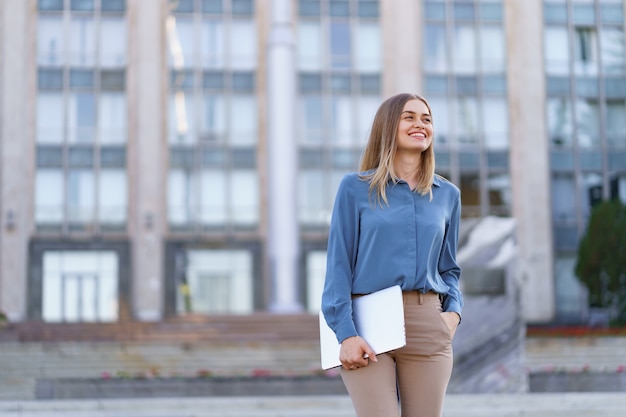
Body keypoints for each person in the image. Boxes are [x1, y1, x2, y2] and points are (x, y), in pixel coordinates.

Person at [321, 93, 463, 417]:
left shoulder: (448, 196)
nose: (420, 124)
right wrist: (345, 333)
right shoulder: (354, 189)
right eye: (409, 117)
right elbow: (338, 267)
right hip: (366, 325)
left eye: (426, 119)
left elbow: (450, 269)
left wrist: (452, 314)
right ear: (388, 127)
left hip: (428, 321)